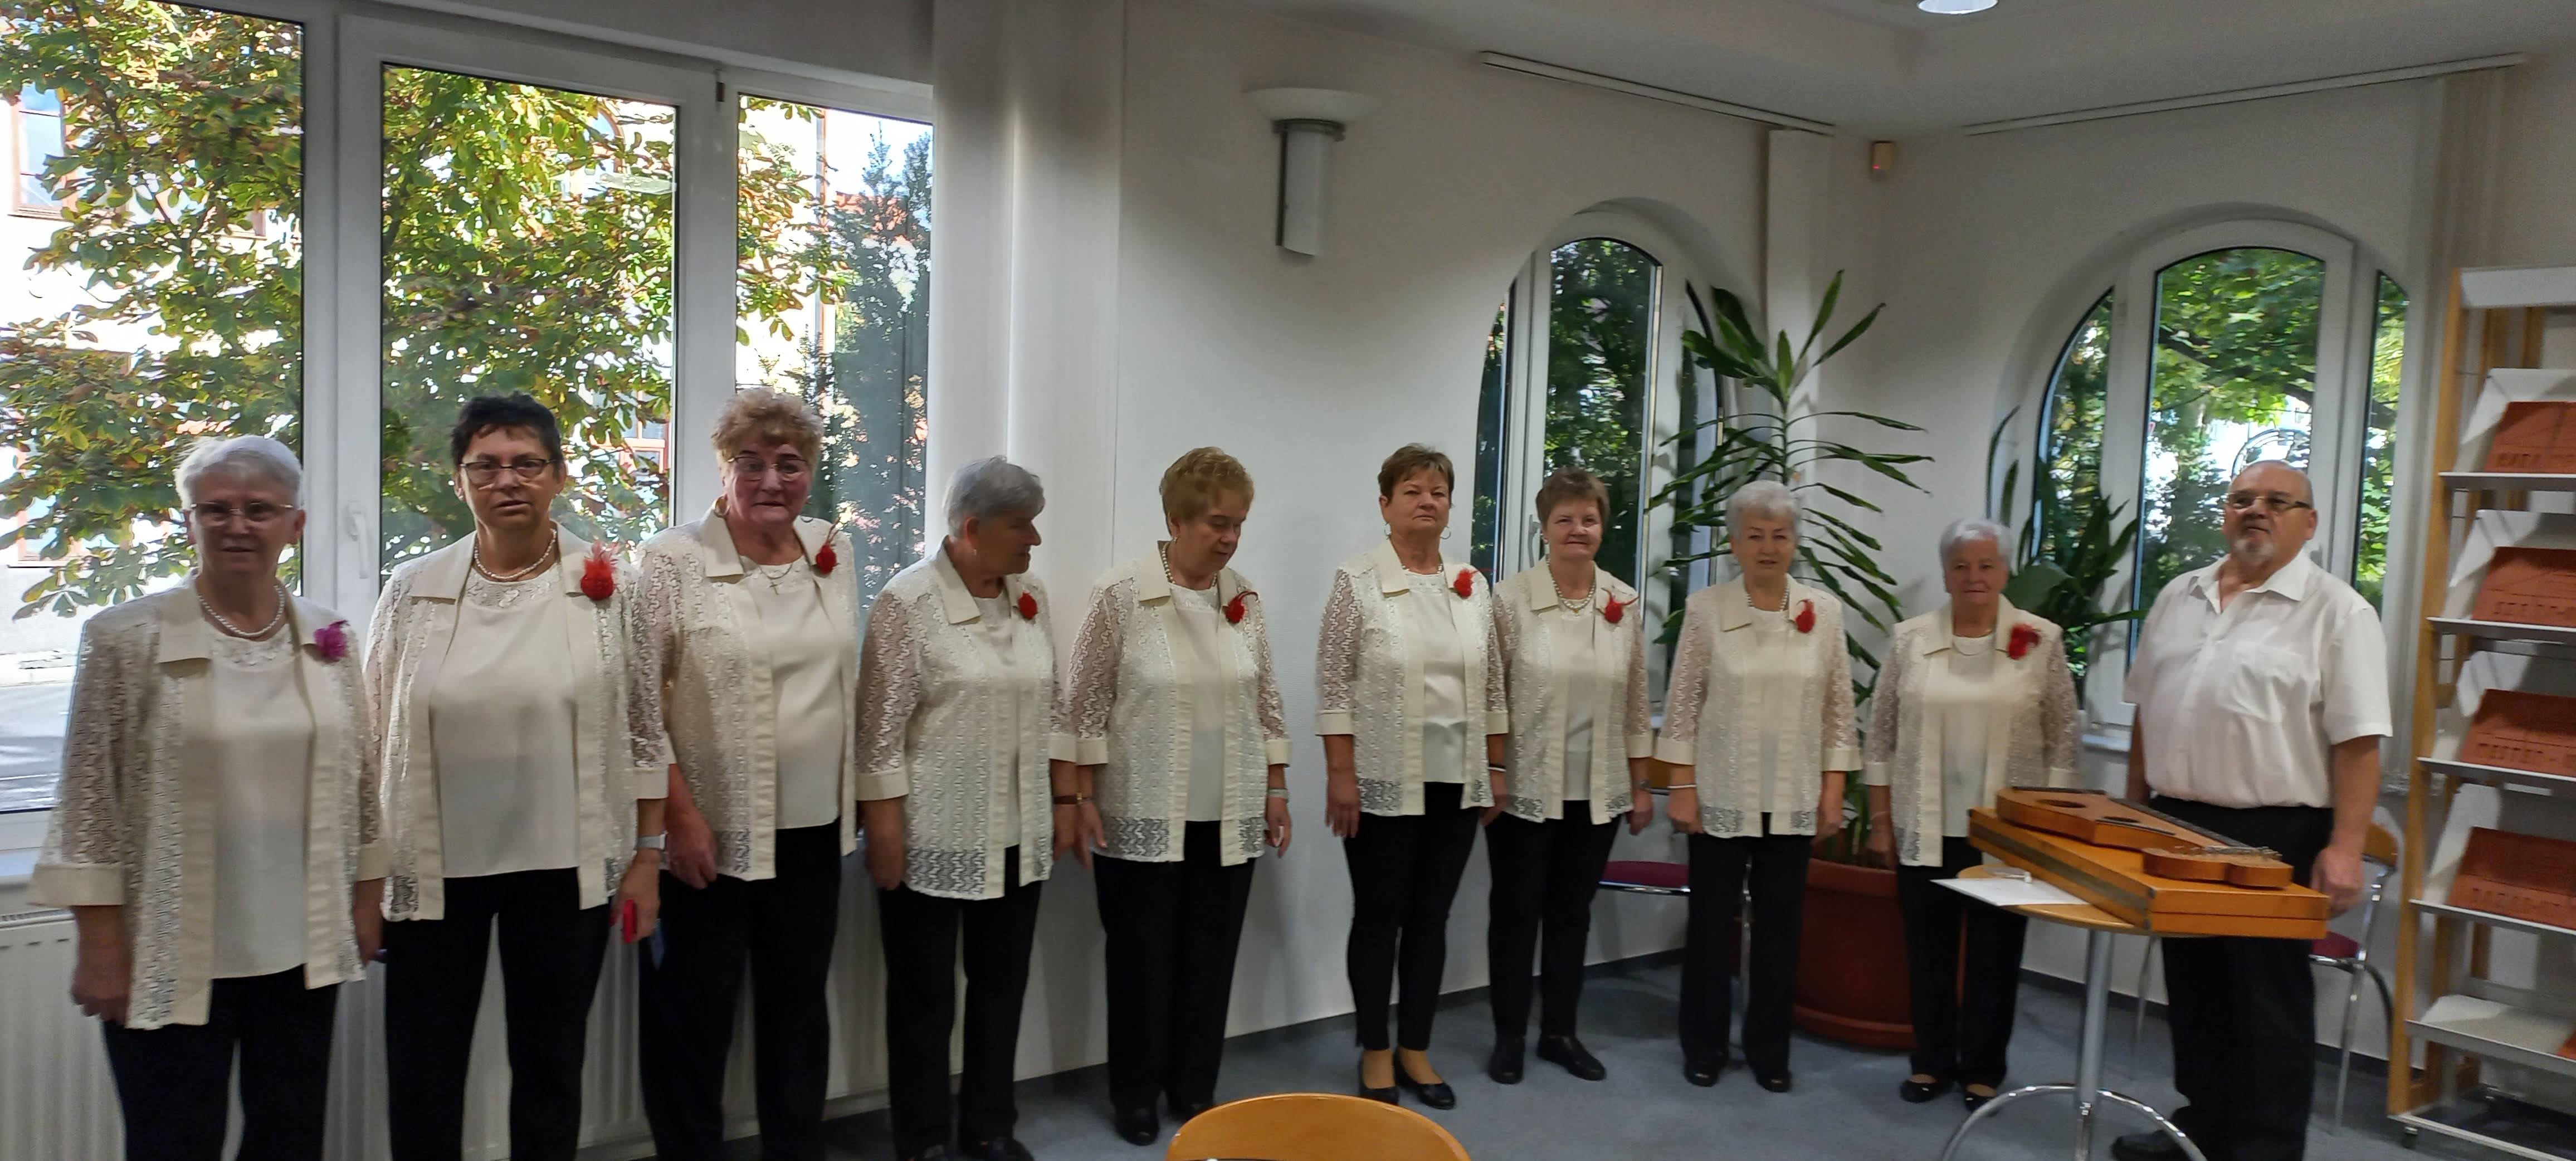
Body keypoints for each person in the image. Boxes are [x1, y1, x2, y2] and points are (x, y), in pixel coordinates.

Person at [30, 437, 382, 1161]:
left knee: (290, 1138)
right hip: (166, 950)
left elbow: (362, 783)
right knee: (173, 1141)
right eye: (215, 510)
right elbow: (90, 805)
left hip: (301, 948)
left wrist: (366, 904)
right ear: (188, 522)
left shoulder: (329, 637)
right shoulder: (125, 638)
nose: (237, 526)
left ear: (295, 524)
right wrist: (101, 949)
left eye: (260, 510)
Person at [367, 394, 671, 1161]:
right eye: (486, 466)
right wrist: (363, 870)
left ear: (559, 476)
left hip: (563, 867)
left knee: (550, 1069)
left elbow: (643, 726)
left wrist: (647, 855)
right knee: (424, 1070)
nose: (508, 480)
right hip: (433, 870)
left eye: (528, 463)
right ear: (459, 481)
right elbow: (372, 730)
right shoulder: (412, 588)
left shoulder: (611, 586)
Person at [2111, 461, 2388, 1161]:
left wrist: (2346, 846)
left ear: (2309, 522)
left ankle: (2264, 1148)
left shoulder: (2339, 612)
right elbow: (2147, 706)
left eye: (2276, 501)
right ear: (2225, 513)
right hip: (2175, 824)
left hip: (2273, 834)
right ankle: (2201, 1128)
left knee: (2265, 1004)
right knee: (2195, 990)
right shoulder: (2179, 594)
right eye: (2242, 498)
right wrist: (2135, 809)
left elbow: (2359, 743)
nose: (2256, 509)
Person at [633, 389, 859, 1161]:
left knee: (797, 1013)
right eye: (751, 463)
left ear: (811, 470)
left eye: (789, 464)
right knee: (691, 1018)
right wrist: (678, 817)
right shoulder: (672, 560)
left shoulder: (832, 551)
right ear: (724, 468)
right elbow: (639, 703)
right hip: (711, 832)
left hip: (813, 830)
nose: (772, 480)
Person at [1056, 447, 1294, 1146]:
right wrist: (1079, 794)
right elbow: (1083, 704)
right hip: (1143, 810)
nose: (1230, 537)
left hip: (1229, 811)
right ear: (1176, 519)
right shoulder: (1121, 594)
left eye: (1238, 524)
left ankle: (1194, 1086)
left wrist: (1276, 785)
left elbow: (1266, 699)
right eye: (1217, 523)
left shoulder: (1244, 598)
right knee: (1141, 962)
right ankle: (1134, 1092)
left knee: (1209, 959)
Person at [859, 455, 1066, 1161]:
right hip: (931, 833)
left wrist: (1064, 799)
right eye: (1021, 525)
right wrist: (885, 828)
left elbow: (1054, 702)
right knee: (923, 1000)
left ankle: (989, 1124)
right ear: (973, 529)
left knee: (1001, 989)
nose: (1034, 539)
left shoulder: (1030, 595)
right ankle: (921, 1138)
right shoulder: (908, 601)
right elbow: (878, 731)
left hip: (1018, 830)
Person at [1862, 518, 2081, 1112]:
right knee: (1927, 954)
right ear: (1945, 574)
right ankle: (1931, 1061)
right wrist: (1881, 822)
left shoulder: (2041, 640)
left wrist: (2051, 829)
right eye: (1961, 565)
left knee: (1995, 957)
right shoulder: (1910, 640)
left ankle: (1984, 1068)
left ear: (2006, 571)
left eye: (1986, 565)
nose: (1974, 576)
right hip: (1924, 823)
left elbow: (2062, 741)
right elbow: (1880, 736)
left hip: (2006, 835)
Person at [1315, 443, 1509, 1110]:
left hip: (1457, 779)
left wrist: (1496, 766)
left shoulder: (1472, 584)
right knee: (1379, 916)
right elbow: (1333, 680)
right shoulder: (1357, 579)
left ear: (1450, 505)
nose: (1427, 500)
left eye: (1438, 491)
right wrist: (1341, 771)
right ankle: (1375, 1047)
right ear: (1386, 504)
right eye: (1412, 490)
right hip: (1381, 776)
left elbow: (1492, 683)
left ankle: (1416, 1046)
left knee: (1432, 917)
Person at [1658, 479, 1858, 1093]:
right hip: (1720, 790)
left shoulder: (1824, 612)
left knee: (1780, 930)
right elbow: (1683, 703)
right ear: (1734, 543)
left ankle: (1769, 1050)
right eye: (1755, 535)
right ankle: (1705, 1045)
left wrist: (1832, 791)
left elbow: (1838, 709)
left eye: (1780, 535)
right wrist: (1682, 785)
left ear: (1795, 542)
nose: (1768, 547)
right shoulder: (1706, 609)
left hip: (1794, 794)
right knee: (1710, 925)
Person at [1484, 467, 1654, 1086]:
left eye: (1588, 518)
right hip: (1525, 787)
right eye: (1565, 519)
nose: (1577, 529)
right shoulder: (1509, 600)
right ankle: (1509, 1035)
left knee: (1570, 914)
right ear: (1544, 527)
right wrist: (1494, 770)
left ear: (1602, 527)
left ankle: (1559, 1032)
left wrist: (1640, 782)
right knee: (1515, 913)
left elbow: (1636, 699)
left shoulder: (1623, 602)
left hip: (1597, 788)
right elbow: (1491, 693)